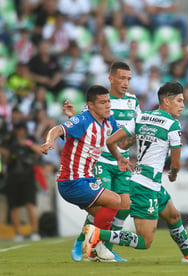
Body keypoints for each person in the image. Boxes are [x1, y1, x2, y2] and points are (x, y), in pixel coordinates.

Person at [81, 81, 188, 263]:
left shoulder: (142, 117)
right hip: (147, 186)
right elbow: (175, 163)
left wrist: (120, 156)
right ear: (166, 101)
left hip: (144, 181)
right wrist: (173, 175)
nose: (182, 105)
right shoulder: (173, 125)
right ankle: (97, 234)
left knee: (174, 216)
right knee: (145, 241)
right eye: (179, 101)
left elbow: (112, 141)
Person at [64, 61, 141, 262]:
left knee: (124, 206)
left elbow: (137, 128)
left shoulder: (133, 101)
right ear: (111, 79)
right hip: (100, 160)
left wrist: (134, 139)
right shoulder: (99, 99)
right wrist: (72, 116)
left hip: (121, 160)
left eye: (129, 79)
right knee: (103, 203)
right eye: (122, 78)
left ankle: (105, 247)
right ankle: (83, 241)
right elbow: (82, 124)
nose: (126, 82)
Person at [41, 85, 122, 261]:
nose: (108, 105)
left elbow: (118, 142)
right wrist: (49, 142)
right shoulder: (84, 120)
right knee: (116, 200)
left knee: (101, 214)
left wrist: (122, 156)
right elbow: (57, 129)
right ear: (91, 105)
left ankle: (91, 251)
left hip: (85, 179)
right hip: (72, 181)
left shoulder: (109, 122)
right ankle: (97, 246)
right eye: (102, 102)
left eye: (108, 101)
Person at [4, 121, 43, 242]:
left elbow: (40, 151)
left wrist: (28, 143)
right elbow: (6, 159)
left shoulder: (30, 139)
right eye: (18, 130)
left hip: (28, 176)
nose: (20, 132)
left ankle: (35, 231)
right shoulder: (9, 141)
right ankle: (18, 233)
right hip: (12, 176)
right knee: (14, 206)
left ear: (25, 130)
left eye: (21, 129)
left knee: (30, 204)